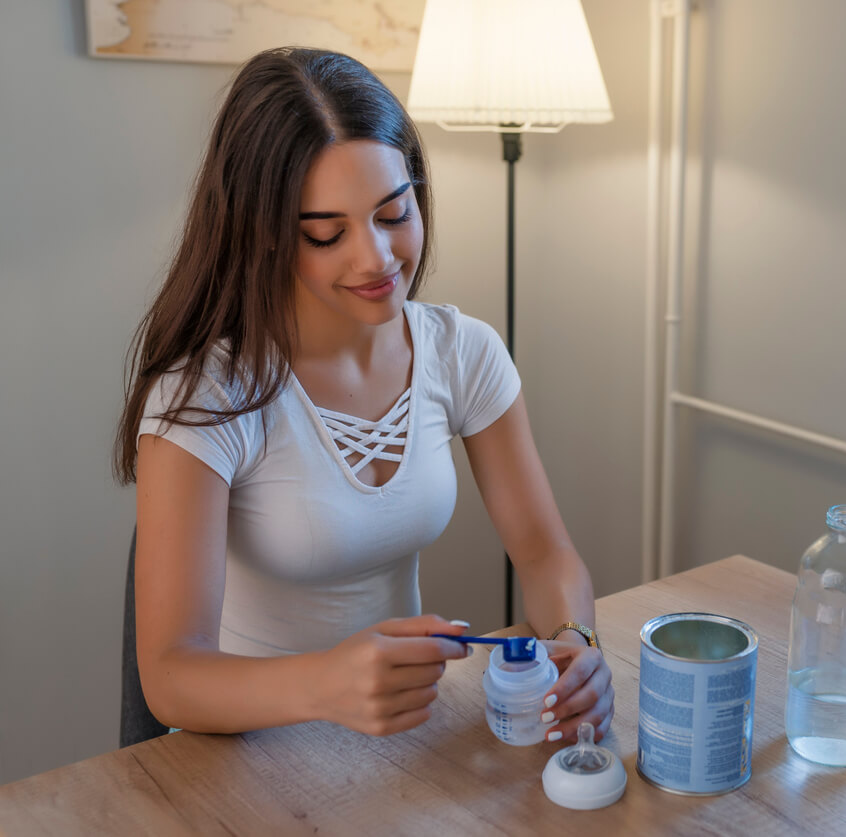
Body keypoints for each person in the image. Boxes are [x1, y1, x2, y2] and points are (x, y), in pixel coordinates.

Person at [113, 47, 613, 742]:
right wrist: (325, 683)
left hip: (395, 742)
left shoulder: (462, 352)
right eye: (327, 233)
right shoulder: (205, 395)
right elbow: (170, 677)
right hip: (237, 757)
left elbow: (543, 551)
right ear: (263, 234)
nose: (376, 258)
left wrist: (576, 636)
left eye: (393, 213)